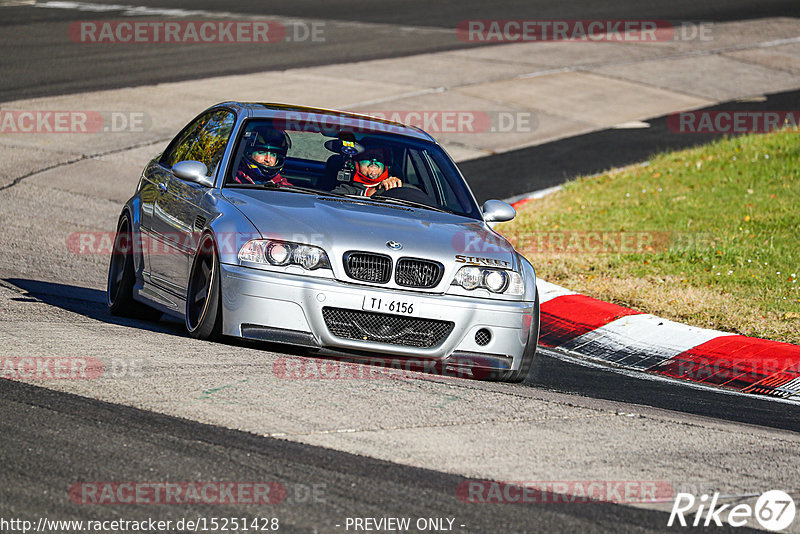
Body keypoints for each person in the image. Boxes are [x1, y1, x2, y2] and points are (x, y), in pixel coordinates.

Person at [333, 146, 402, 196]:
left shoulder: (394, 185)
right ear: (356, 163)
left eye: (379, 158)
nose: (374, 161)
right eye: (368, 157)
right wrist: (375, 190)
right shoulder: (346, 188)